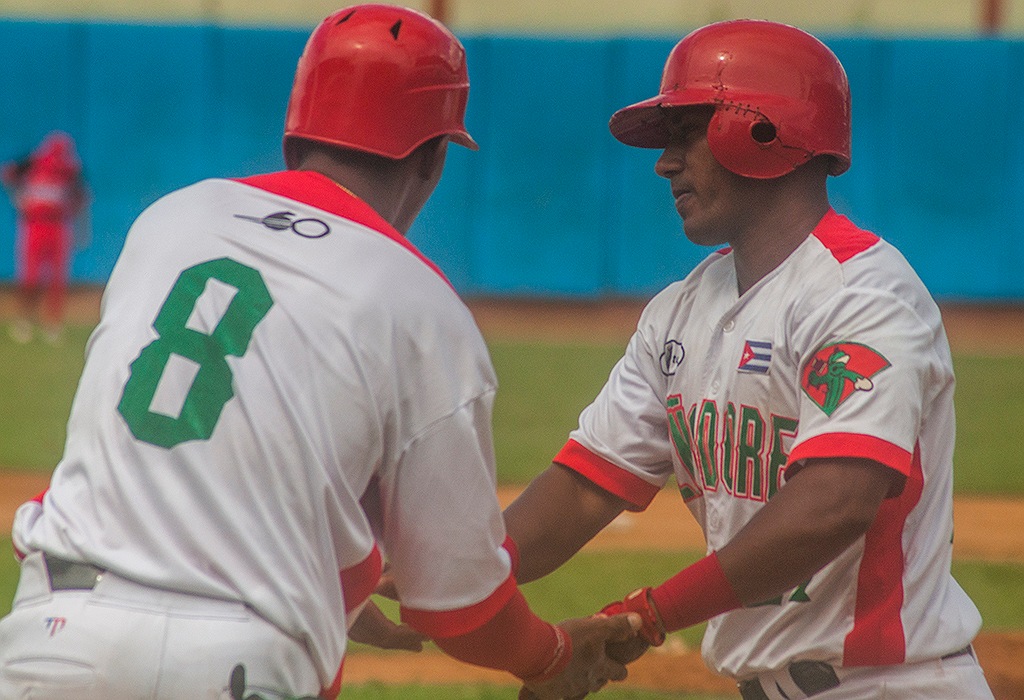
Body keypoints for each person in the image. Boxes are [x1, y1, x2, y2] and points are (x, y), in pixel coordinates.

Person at [0, 6, 640, 699]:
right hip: (237, 656)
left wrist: (332, 584)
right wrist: (550, 656)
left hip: (53, 632)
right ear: (433, 158)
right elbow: (460, 604)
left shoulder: (171, 219)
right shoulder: (423, 306)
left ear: (295, 133)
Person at [504, 19, 995, 700]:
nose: (664, 163)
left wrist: (648, 615)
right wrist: (445, 580)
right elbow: (585, 486)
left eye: (686, 133)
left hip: (887, 686)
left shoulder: (862, 294)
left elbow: (833, 504)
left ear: (760, 131)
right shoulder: (679, 311)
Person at [1, 130, 89, 344]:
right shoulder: (32, 162)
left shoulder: (70, 170)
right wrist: (19, 199)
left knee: (57, 278)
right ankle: (24, 320)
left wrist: (80, 228)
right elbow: (7, 174)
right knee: (30, 277)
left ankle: (52, 323)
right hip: (34, 225)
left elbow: (82, 196)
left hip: (58, 227)